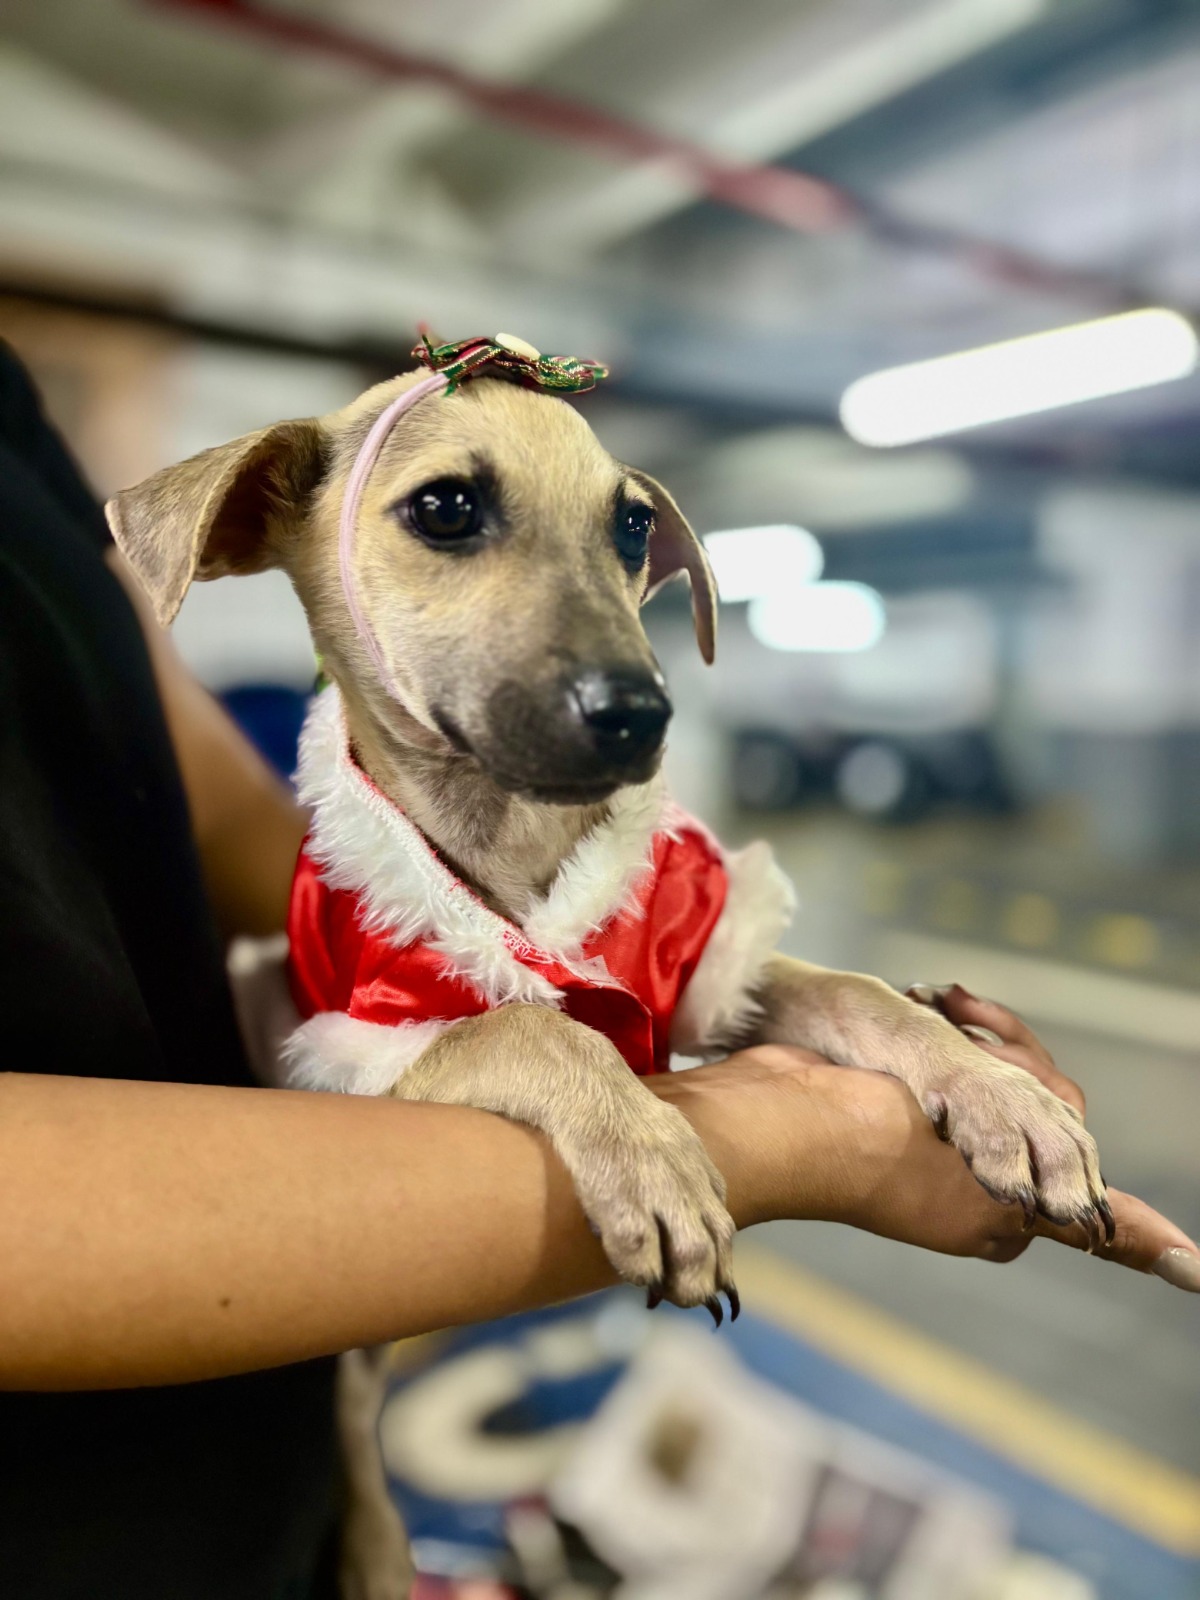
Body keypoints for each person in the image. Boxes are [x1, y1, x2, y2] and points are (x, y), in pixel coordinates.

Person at [0, 339, 1194, 1600]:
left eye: (620, 535)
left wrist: (886, 1037)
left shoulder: (13, 408)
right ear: (263, 523)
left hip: (261, 1437)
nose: (617, 664)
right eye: (450, 513)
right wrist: (783, 1134)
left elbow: (230, 816)